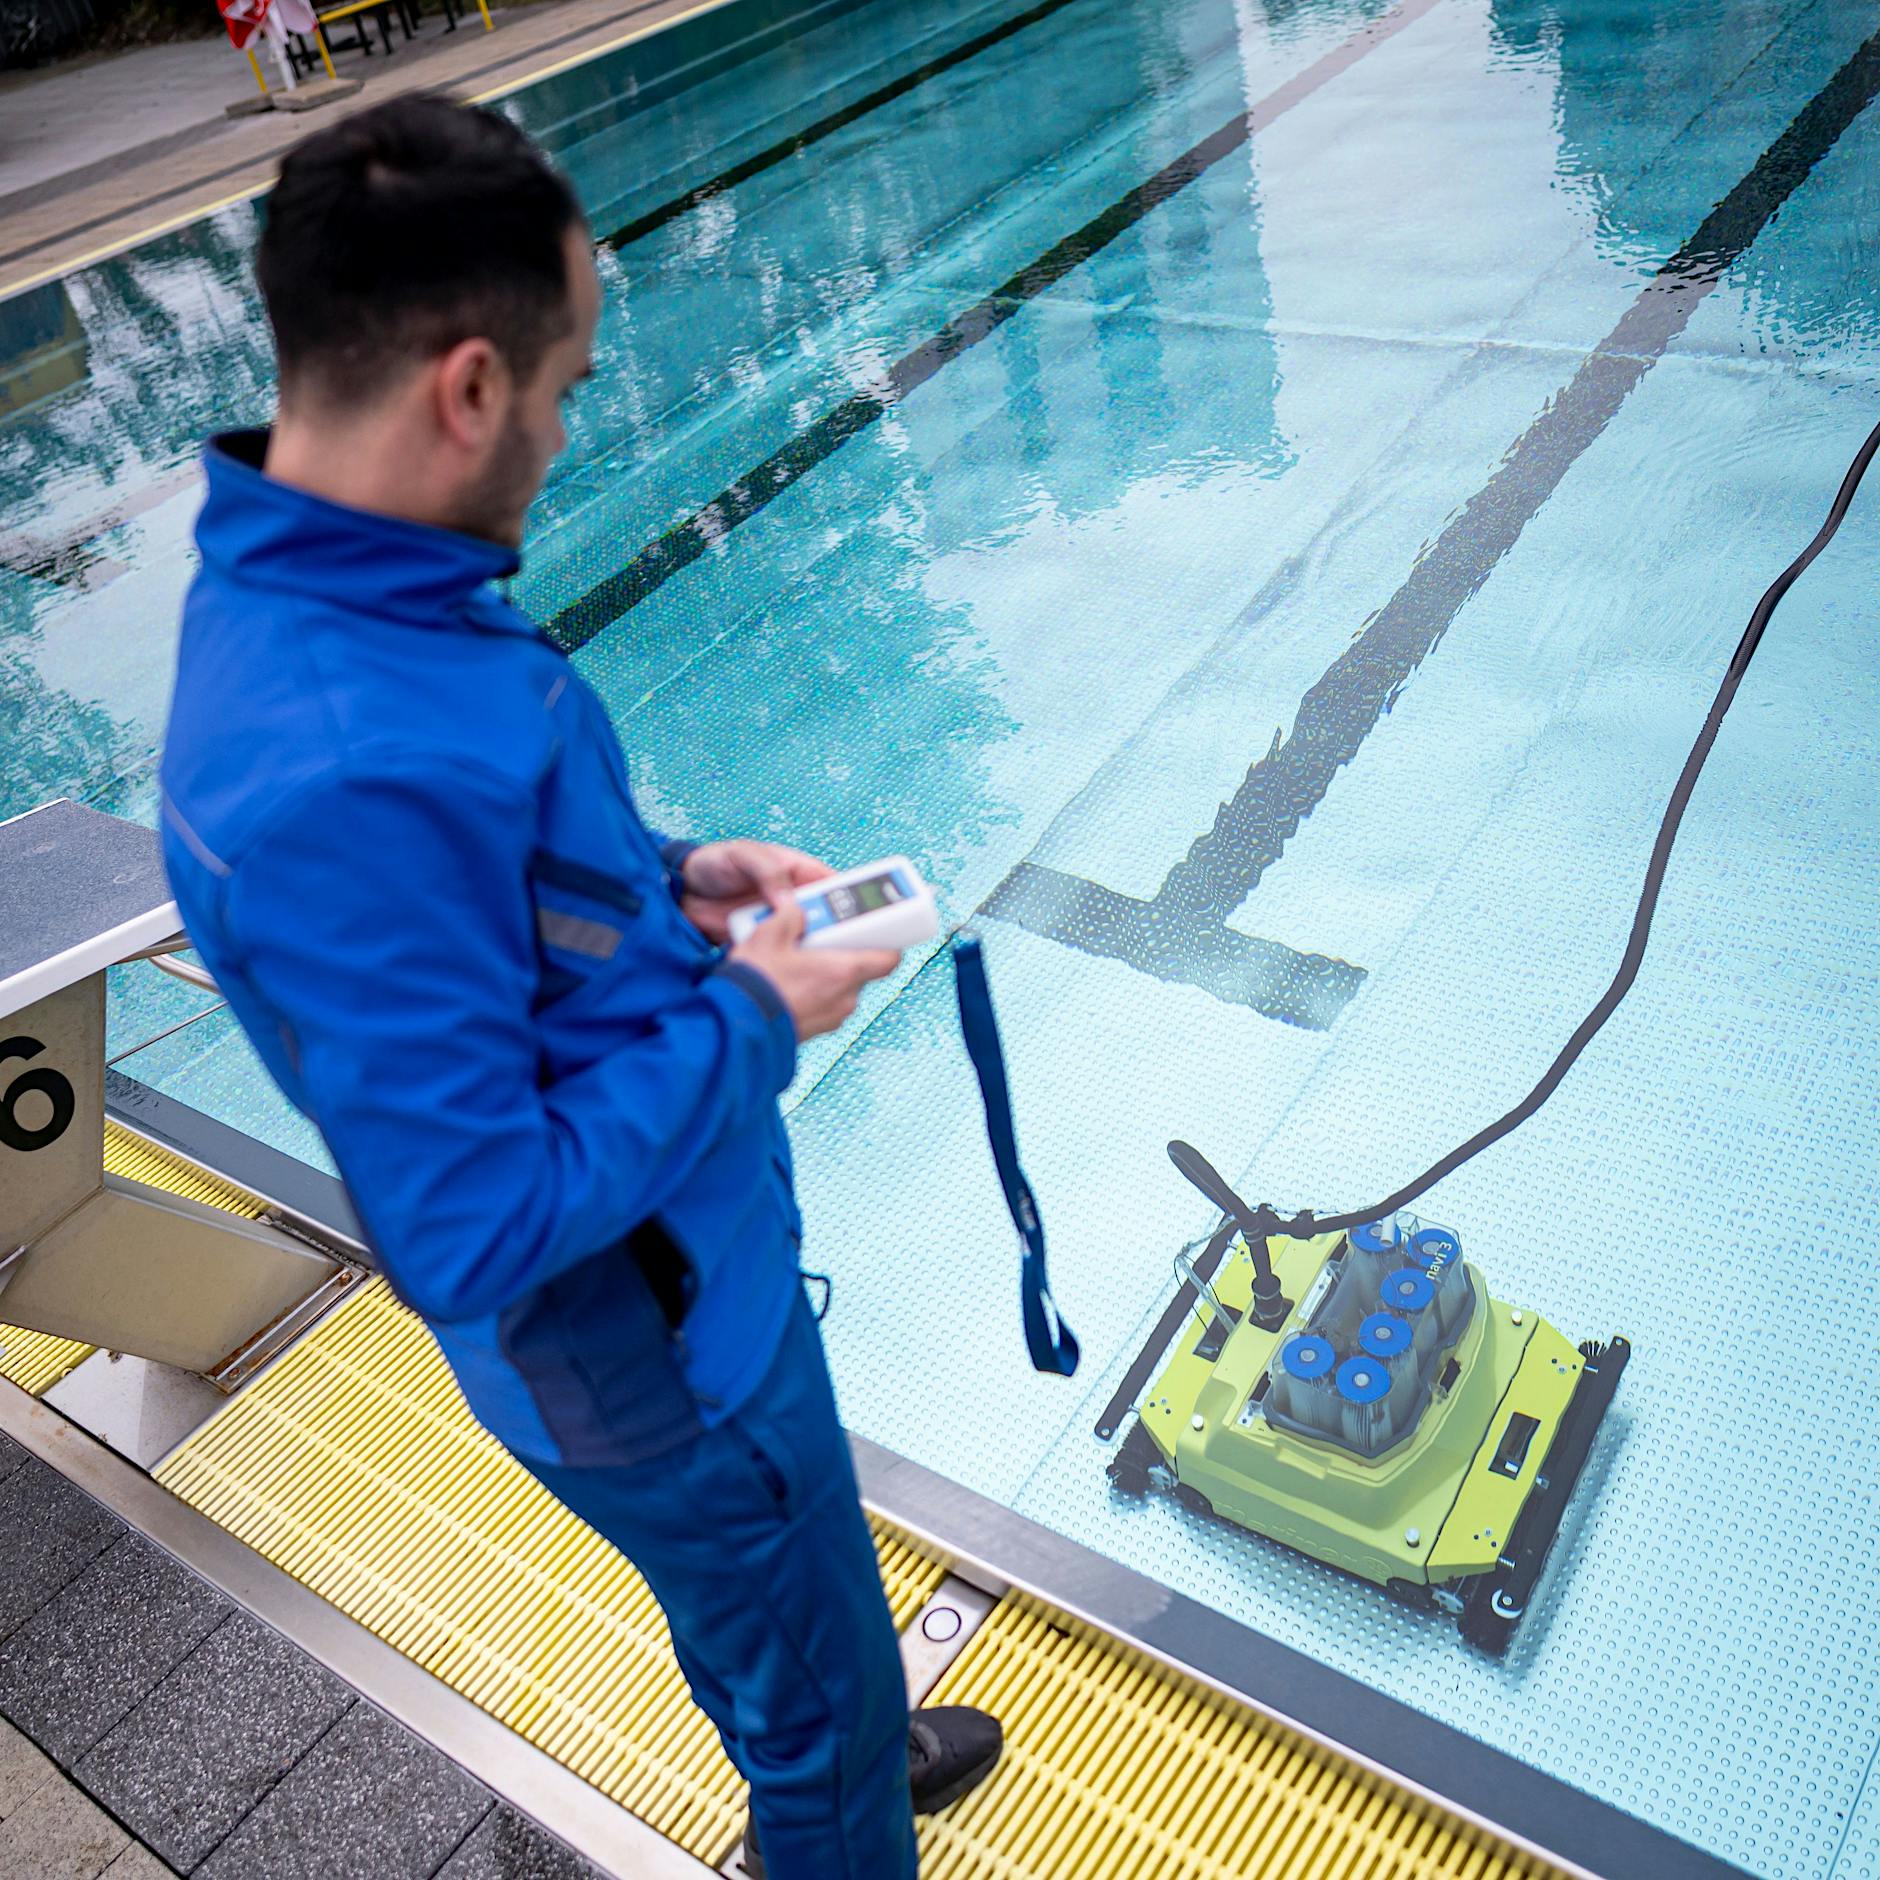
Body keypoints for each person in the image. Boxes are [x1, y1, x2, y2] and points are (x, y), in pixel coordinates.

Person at [159, 94, 1002, 1880]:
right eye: (563, 388)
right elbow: (470, 1224)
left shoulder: (347, 586)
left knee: (784, 1625)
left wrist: (677, 883)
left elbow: (492, 903)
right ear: (466, 387)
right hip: (662, 1352)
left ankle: (824, 1692)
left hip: (681, 1287)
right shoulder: (331, 772)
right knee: (811, 1742)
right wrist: (757, 1014)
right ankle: (835, 1765)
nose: (562, 429)